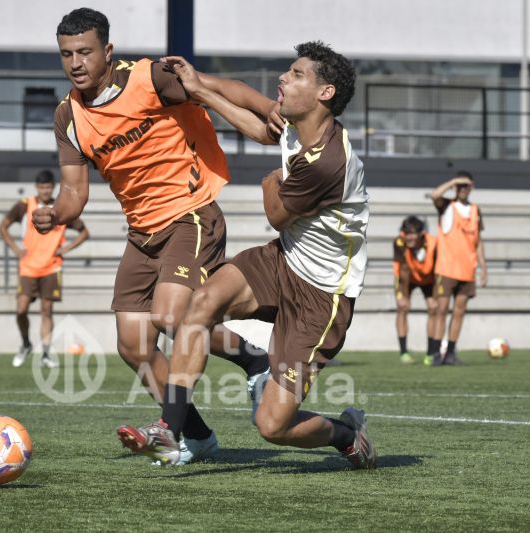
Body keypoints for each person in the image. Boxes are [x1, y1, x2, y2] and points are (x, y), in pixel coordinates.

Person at [32, 8, 277, 463]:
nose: (75, 63)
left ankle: (251, 360)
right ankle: (197, 437)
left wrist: (270, 111)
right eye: (66, 54)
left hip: (191, 215)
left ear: (107, 51)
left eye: (85, 51)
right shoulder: (68, 117)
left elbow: (219, 88)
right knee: (133, 344)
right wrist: (54, 215)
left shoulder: (150, 78)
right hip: (142, 234)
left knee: (170, 317)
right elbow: (73, 193)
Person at [117, 42, 377, 469]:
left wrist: (269, 181)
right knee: (200, 305)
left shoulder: (328, 161)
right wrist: (199, 88)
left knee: (273, 426)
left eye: (296, 74)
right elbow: (252, 120)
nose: (283, 79)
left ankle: (345, 433)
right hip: (282, 260)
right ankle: (169, 429)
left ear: (324, 93)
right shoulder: (302, 122)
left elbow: (275, 212)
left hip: (322, 297)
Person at [0, 169, 89, 368]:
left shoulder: (61, 208)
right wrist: (15, 249)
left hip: (51, 267)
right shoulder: (25, 206)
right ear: (37, 188)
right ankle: (25, 343)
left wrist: (65, 248)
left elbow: (84, 232)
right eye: (42, 187)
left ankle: (46, 354)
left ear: (53, 187)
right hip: (28, 267)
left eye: (48, 187)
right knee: (21, 309)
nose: (45, 191)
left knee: (46, 310)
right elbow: (3, 226)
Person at [430, 172, 487, 366]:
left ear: (472, 187)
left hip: (467, 269)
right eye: (460, 186)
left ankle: (451, 352)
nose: (463, 189)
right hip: (446, 268)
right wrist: (452, 181)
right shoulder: (447, 206)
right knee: (441, 310)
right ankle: (436, 352)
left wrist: (483, 267)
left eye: (466, 186)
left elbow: (478, 241)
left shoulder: (475, 210)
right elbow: (434, 195)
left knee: (459, 311)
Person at [393, 215, 438, 365]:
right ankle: (404, 352)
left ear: (420, 233)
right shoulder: (399, 242)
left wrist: (438, 293)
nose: (409, 237)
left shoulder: (433, 244)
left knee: (433, 308)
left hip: (429, 278)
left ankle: (431, 353)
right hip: (408, 278)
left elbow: (438, 270)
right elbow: (398, 269)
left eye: (413, 233)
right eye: (407, 233)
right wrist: (400, 294)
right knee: (402, 308)